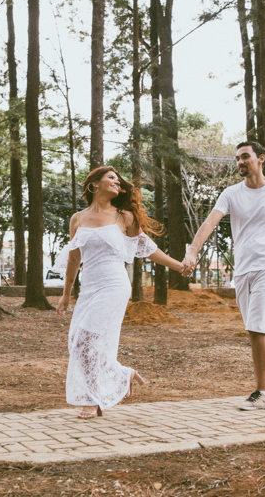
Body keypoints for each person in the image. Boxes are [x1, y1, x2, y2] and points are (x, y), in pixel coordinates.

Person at [181, 141, 265, 411]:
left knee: (257, 328)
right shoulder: (231, 194)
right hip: (243, 271)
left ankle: (262, 393)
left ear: (261, 158)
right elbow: (209, 223)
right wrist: (192, 251)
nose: (240, 162)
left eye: (245, 157)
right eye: (237, 159)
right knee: (258, 329)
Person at [54, 166, 186, 419]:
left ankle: (92, 399)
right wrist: (66, 294)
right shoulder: (78, 218)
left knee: (86, 339)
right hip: (89, 287)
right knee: (77, 342)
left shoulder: (124, 216)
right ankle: (121, 376)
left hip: (114, 284)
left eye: (118, 180)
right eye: (111, 178)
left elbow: (147, 248)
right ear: (94, 185)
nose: (117, 183)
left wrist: (178, 265)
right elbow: (73, 260)